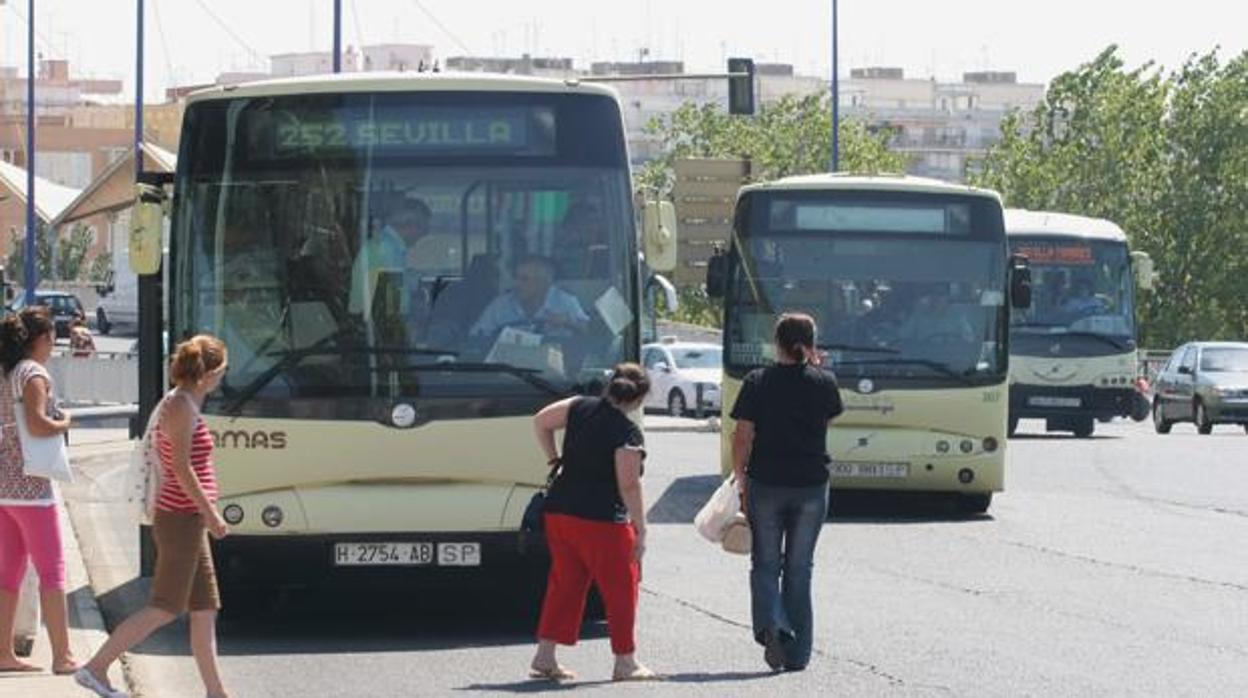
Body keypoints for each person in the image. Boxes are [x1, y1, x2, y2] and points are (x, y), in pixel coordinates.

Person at [76, 335, 230, 698]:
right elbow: (180, 466)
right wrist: (210, 513)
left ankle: (216, 693)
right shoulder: (180, 406)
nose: (222, 377)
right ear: (210, 372)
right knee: (165, 606)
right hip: (180, 518)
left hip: (189, 518)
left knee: (205, 608)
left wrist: (205, 511)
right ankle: (95, 669)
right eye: (221, 370)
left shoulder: (189, 402)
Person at [528, 363, 659, 682]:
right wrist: (641, 528)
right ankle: (625, 661)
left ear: (609, 386)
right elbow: (628, 484)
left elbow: (541, 421)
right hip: (601, 521)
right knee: (621, 589)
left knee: (565, 584)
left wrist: (554, 459)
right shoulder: (627, 432)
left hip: (559, 512)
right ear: (638, 399)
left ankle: (545, 656)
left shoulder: (578, 406)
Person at [730, 313, 844, 672]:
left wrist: (739, 475)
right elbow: (825, 421)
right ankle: (797, 655)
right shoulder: (825, 382)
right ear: (811, 343)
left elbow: (743, 434)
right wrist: (816, 369)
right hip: (811, 484)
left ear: (775, 342)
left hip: (766, 482)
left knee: (765, 563)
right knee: (800, 568)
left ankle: (774, 626)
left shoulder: (757, 381)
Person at [0, 306, 77, 676]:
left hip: (4, 487)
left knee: (8, 573)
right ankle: (63, 656)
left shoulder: (7, 372)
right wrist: (65, 421)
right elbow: (38, 423)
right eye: (52, 339)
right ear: (42, 340)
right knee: (53, 571)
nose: (54, 346)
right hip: (33, 489)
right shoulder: (33, 374)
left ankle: (3, 652)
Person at [347, 195, 433, 318]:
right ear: (411, 225)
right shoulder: (387, 249)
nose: (424, 235)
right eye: (424, 229)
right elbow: (390, 303)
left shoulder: (387, 245)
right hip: (376, 325)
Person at [470, 255, 589, 339]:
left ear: (544, 283)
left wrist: (568, 322)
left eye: (524, 279)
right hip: (508, 367)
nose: (517, 284)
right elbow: (476, 337)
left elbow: (588, 334)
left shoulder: (565, 301)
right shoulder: (500, 305)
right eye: (516, 278)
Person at [896, 284, 975, 343]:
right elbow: (901, 337)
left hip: (950, 359)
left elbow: (969, 340)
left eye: (941, 294)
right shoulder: (918, 316)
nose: (936, 297)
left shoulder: (957, 317)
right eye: (933, 294)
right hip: (922, 359)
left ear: (947, 297)